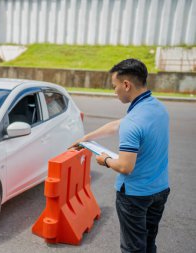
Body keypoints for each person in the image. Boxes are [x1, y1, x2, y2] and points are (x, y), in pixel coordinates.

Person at [71, 59, 170, 253]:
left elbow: (125, 167)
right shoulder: (157, 107)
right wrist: (87, 138)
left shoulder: (133, 122)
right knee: (149, 243)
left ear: (126, 85)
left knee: (133, 248)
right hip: (160, 190)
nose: (114, 91)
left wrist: (105, 160)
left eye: (115, 86)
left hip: (135, 195)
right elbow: (118, 124)